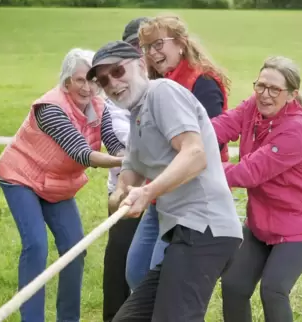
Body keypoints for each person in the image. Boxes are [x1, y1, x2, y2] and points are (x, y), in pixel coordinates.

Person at [87, 40, 243, 321]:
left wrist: (148, 192)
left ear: (139, 65)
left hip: (206, 228)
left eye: (118, 71)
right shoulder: (137, 112)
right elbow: (132, 167)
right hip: (181, 232)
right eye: (103, 80)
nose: (112, 83)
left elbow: (195, 155)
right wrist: (121, 192)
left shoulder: (162, 92)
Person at [0, 48, 125, 322]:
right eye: (80, 80)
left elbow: (113, 143)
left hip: (55, 183)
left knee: (75, 249)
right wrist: (123, 163)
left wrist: (130, 156)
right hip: (21, 177)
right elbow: (81, 152)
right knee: (36, 246)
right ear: (66, 82)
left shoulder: (101, 107)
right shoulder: (50, 108)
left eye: (92, 80)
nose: (87, 87)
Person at [211, 56, 302, 322]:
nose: (265, 95)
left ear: (291, 95)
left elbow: (250, 172)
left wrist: (199, 169)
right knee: (234, 285)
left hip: (301, 224)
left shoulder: (295, 131)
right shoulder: (253, 106)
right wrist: (188, 138)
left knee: (273, 289)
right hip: (262, 221)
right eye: (261, 85)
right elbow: (221, 126)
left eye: (274, 89)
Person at [125, 14, 232, 290]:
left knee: (164, 280)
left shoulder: (203, 81)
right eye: (148, 47)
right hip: (160, 193)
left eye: (159, 44)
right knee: (137, 273)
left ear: (181, 44)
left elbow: (211, 141)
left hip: (193, 198)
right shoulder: (153, 86)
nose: (153, 53)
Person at [102, 17, 150, 322]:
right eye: (135, 46)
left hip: (163, 194)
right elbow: (117, 138)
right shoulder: (113, 88)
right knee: (118, 262)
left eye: (146, 46)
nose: (141, 52)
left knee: (148, 268)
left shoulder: (165, 87)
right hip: (125, 189)